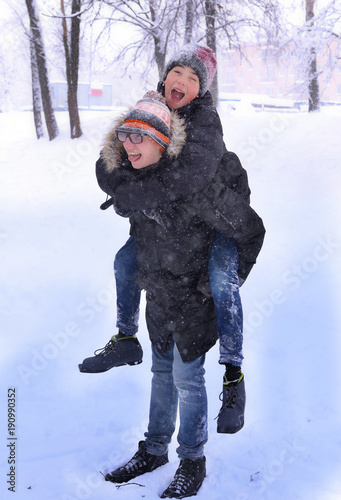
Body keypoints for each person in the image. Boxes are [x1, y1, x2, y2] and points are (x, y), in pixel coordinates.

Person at [79, 43, 259, 434]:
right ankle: (126, 337)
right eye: (178, 71)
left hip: (220, 220)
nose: (182, 81)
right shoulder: (152, 107)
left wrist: (131, 193)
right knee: (125, 262)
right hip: (168, 230)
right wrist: (124, 182)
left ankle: (233, 373)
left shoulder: (205, 122)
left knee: (221, 280)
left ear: (202, 90)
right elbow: (112, 157)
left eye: (193, 78)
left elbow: (187, 178)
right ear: (166, 75)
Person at [93, 90, 264, 498]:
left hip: (194, 303)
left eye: (140, 136)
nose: (129, 144)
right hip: (160, 299)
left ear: (164, 142)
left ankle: (192, 459)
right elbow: (109, 176)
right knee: (161, 376)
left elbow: (251, 230)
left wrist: (217, 284)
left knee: (188, 382)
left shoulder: (198, 189)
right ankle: (154, 450)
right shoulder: (138, 183)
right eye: (125, 135)